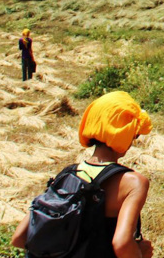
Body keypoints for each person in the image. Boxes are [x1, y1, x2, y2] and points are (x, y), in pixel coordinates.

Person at [11, 91, 154, 258]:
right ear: (124, 133)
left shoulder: (66, 174)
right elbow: (121, 244)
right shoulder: (133, 183)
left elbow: (19, 238)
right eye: (134, 134)